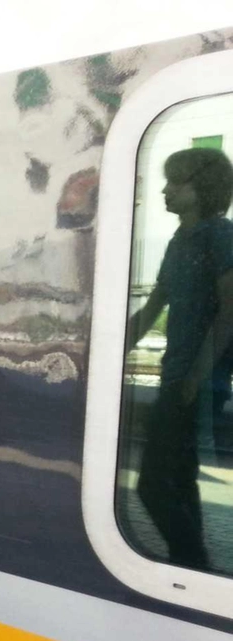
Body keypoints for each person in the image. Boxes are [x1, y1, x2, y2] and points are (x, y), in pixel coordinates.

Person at [126, 147, 233, 570]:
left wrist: (193, 380)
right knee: (180, 480)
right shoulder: (179, 240)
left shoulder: (220, 236)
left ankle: (191, 561)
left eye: (177, 182)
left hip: (196, 383)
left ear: (202, 187)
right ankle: (190, 565)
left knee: (152, 486)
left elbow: (229, 312)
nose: (166, 190)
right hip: (178, 377)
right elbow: (154, 306)